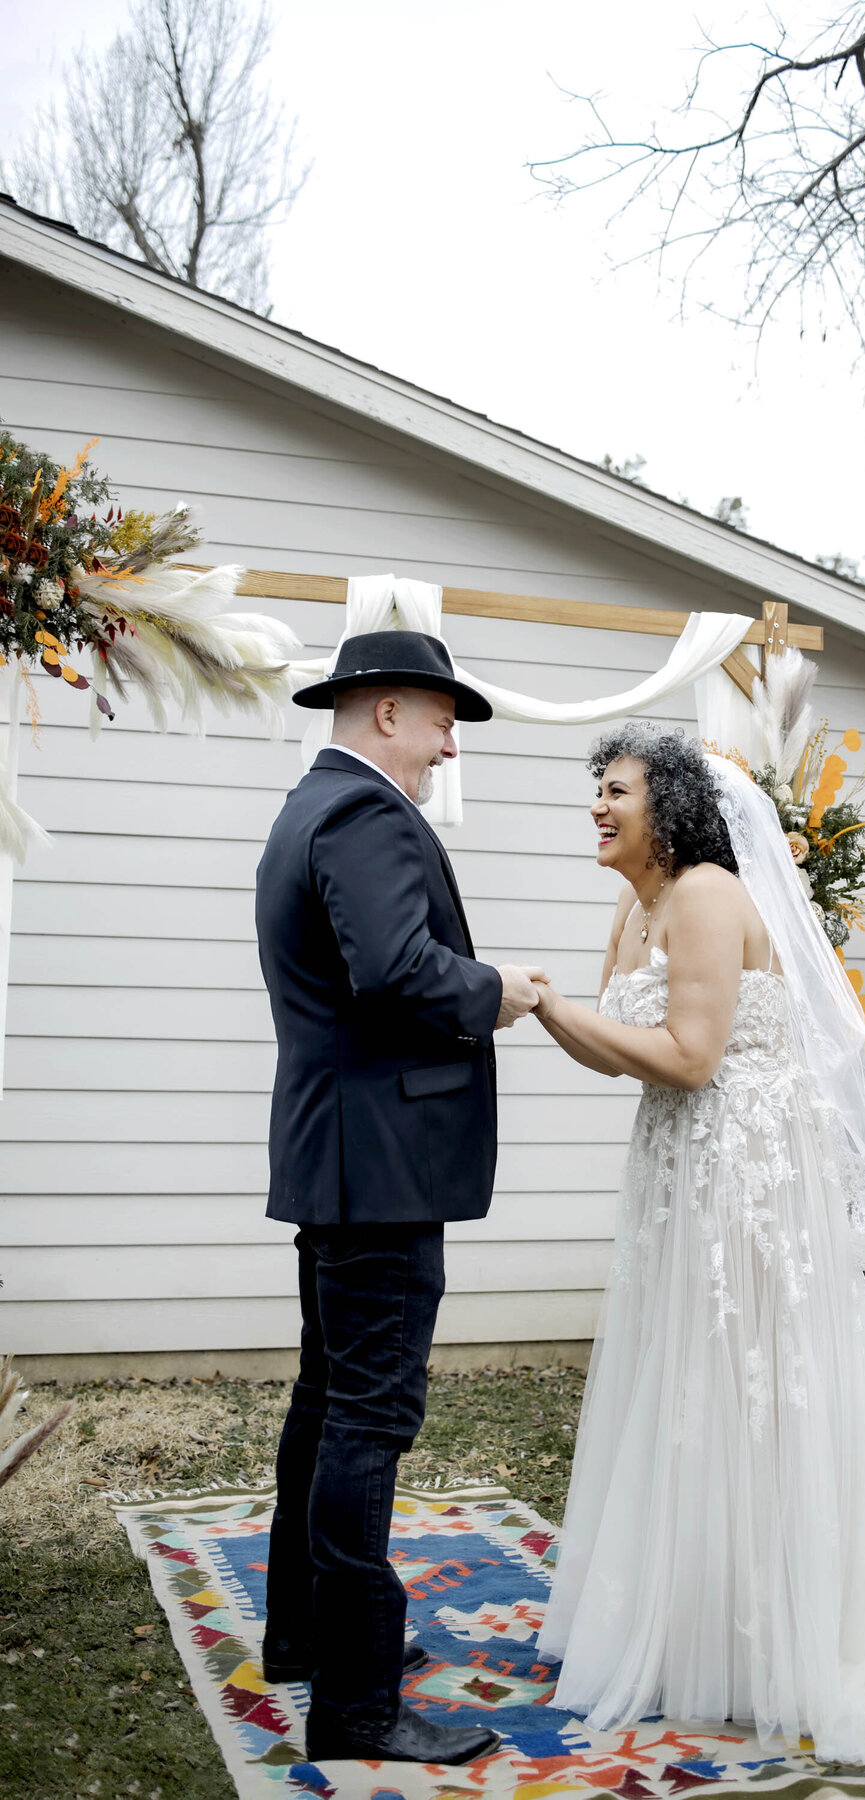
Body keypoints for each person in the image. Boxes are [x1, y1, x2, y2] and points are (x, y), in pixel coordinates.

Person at [531, 724, 865, 1777]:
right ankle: (704, 1611)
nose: (598, 809)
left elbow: (689, 1060)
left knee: (744, 1394)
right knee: (686, 1387)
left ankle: (780, 1633)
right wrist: (547, 1008)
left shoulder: (701, 895)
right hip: (682, 1171)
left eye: (617, 792)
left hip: (743, 1180)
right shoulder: (644, 899)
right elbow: (618, 1050)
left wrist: (545, 1001)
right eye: (593, 793)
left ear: (675, 806)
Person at [255, 629, 544, 1767]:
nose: (448, 740)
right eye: (439, 716)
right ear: (384, 713)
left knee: (329, 1401)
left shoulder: (309, 808)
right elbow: (395, 970)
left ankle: (305, 1637)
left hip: (341, 1156)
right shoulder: (368, 814)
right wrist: (500, 990)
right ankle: (361, 1701)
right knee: (369, 1415)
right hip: (377, 1165)